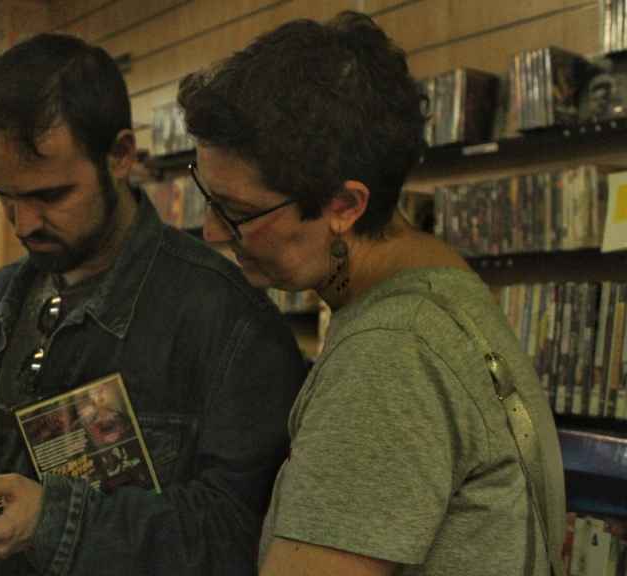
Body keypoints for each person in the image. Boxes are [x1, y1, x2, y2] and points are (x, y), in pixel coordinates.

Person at [0, 33, 307, 575]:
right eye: (5, 197)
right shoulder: (2, 296)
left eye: (50, 195)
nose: (23, 224)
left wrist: (53, 522)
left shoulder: (226, 318)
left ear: (120, 155)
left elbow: (238, 535)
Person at [176, 11, 566, 576]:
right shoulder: (440, 282)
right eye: (207, 198)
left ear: (345, 206)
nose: (212, 232)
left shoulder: (389, 354)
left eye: (237, 211)